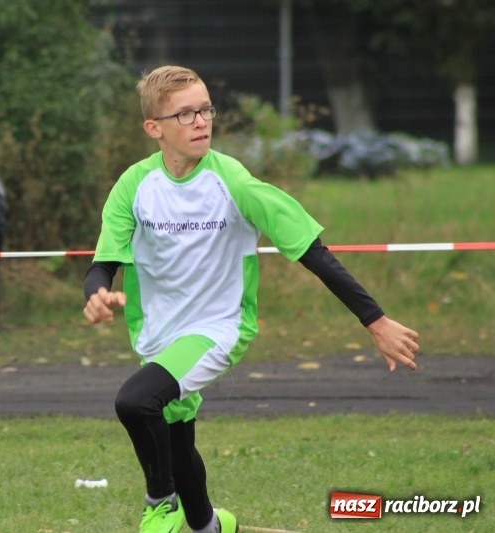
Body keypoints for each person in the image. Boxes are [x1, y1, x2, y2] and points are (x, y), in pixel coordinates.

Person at [82, 65, 419, 533]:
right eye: (185, 114)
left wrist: (375, 320)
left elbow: (311, 251)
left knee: (135, 402)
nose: (201, 121)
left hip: (219, 328)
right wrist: (96, 292)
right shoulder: (134, 186)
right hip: (157, 334)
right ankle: (208, 526)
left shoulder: (233, 183)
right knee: (177, 442)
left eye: (205, 110)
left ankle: (160, 502)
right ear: (153, 128)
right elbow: (104, 262)